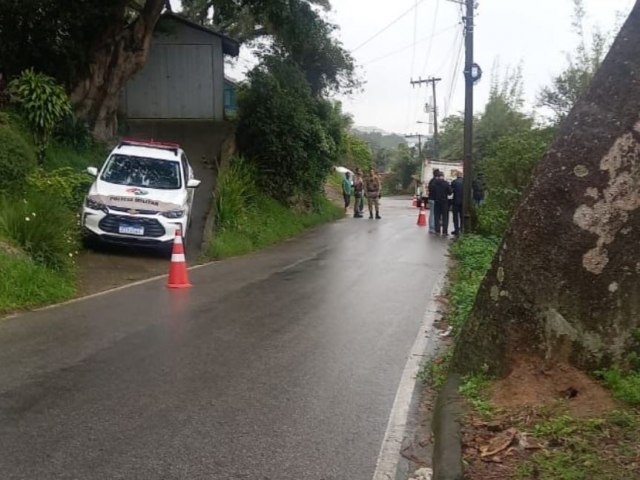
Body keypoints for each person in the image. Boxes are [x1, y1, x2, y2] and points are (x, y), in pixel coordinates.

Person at [427, 169, 440, 234]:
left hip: (430, 198)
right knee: (433, 214)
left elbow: (429, 189)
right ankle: (432, 228)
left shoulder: (431, 181)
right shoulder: (436, 181)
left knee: (431, 213)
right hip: (434, 199)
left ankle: (431, 227)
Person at [451, 170, 464, 236]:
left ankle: (456, 230)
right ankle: (462, 229)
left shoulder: (454, 182)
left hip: (455, 201)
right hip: (463, 202)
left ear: (457, 175)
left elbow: (451, 191)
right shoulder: (465, 182)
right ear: (462, 175)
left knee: (455, 217)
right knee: (462, 216)